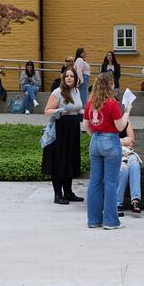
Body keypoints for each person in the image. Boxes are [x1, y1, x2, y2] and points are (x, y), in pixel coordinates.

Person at [84, 72, 132, 230]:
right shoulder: (112, 103)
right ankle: (110, 221)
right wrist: (127, 112)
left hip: (95, 142)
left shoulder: (90, 102)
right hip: (110, 141)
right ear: (109, 85)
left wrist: (97, 135)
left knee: (95, 182)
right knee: (111, 182)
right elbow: (120, 126)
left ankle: (93, 220)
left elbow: (86, 127)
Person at [42, 67, 84, 204]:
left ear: (76, 78)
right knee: (60, 161)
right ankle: (58, 194)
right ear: (63, 78)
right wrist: (59, 111)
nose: (69, 78)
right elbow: (47, 111)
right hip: (60, 131)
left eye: (72, 76)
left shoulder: (77, 91)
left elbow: (77, 108)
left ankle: (69, 192)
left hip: (73, 130)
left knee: (70, 160)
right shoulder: (57, 92)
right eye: (67, 76)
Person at [116, 120, 144, 218]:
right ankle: (117, 204)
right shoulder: (107, 120)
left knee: (135, 165)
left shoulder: (125, 121)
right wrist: (124, 140)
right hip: (114, 153)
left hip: (128, 152)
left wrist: (119, 141)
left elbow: (131, 141)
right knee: (124, 169)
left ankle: (135, 201)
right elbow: (108, 140)